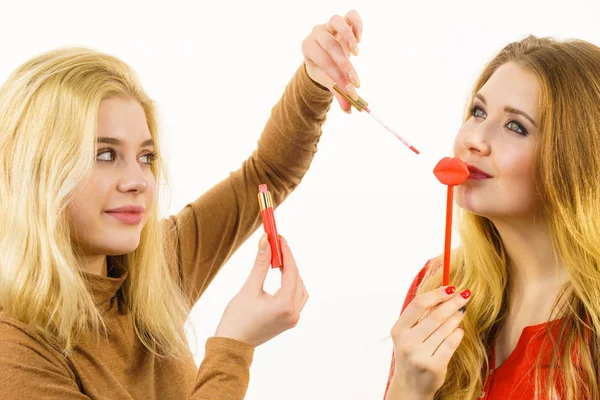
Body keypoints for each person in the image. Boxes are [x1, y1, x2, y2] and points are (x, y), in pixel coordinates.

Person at [0, 11, 363, 400]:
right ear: (34, 169)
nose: (139, 182)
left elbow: (266, 174)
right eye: (106, 155)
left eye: (146, 157)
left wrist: (314, 78)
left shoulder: (152, 269)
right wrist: (233, 347)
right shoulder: (14, 351)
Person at [384, 36, 600, 400]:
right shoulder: (438, 284)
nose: (473, 138)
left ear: (575, 161)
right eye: (479, 111)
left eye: (516, 126)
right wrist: (408, 389)